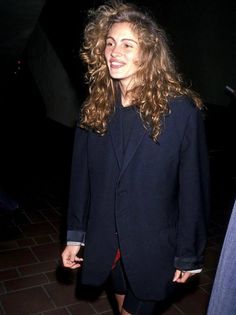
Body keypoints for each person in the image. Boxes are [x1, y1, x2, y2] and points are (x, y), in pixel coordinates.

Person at [61, 1, 210, 314]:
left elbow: (193, 188)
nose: (115, 52)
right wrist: (76, 236)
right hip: (107, 242)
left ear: (149, 52)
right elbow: (81, 177)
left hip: (153, 245)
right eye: (110, 43)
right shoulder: (96, 106)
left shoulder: (181, 111)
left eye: (128, 44)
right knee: (121, 304)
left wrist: (190, 253)